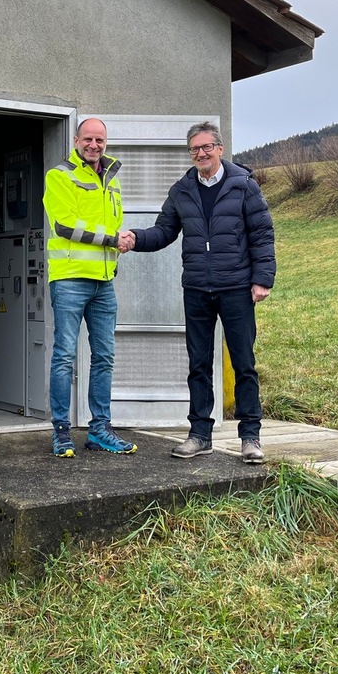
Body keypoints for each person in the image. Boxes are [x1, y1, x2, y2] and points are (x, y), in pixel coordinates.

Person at [117, 121, 274, 463]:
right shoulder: (181, 191)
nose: (201, 154)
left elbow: (262, 234)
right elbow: (164, 231)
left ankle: (250, 437)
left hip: (235, 287)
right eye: (194, 149)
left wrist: (263, 279)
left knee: (244, 363)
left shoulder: (243, 185)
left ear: (219, 148)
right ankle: (200, 434)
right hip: (197, 289)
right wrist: (135, 238)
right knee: (198, 364)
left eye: (206, 147)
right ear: (190, 153)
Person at [42, 117, 136, 458]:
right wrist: (113, 238)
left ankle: (99, 431)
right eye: (88, 139)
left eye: (100, 140)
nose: (94, 145)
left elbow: (113, 223)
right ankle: (61, 432)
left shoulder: (112, 179)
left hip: (104, 282)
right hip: (69, 279)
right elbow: (65, 225)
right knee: (65, 357)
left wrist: (121, 241)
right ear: (76, 139)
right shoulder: (60, 175)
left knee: (105, 357)